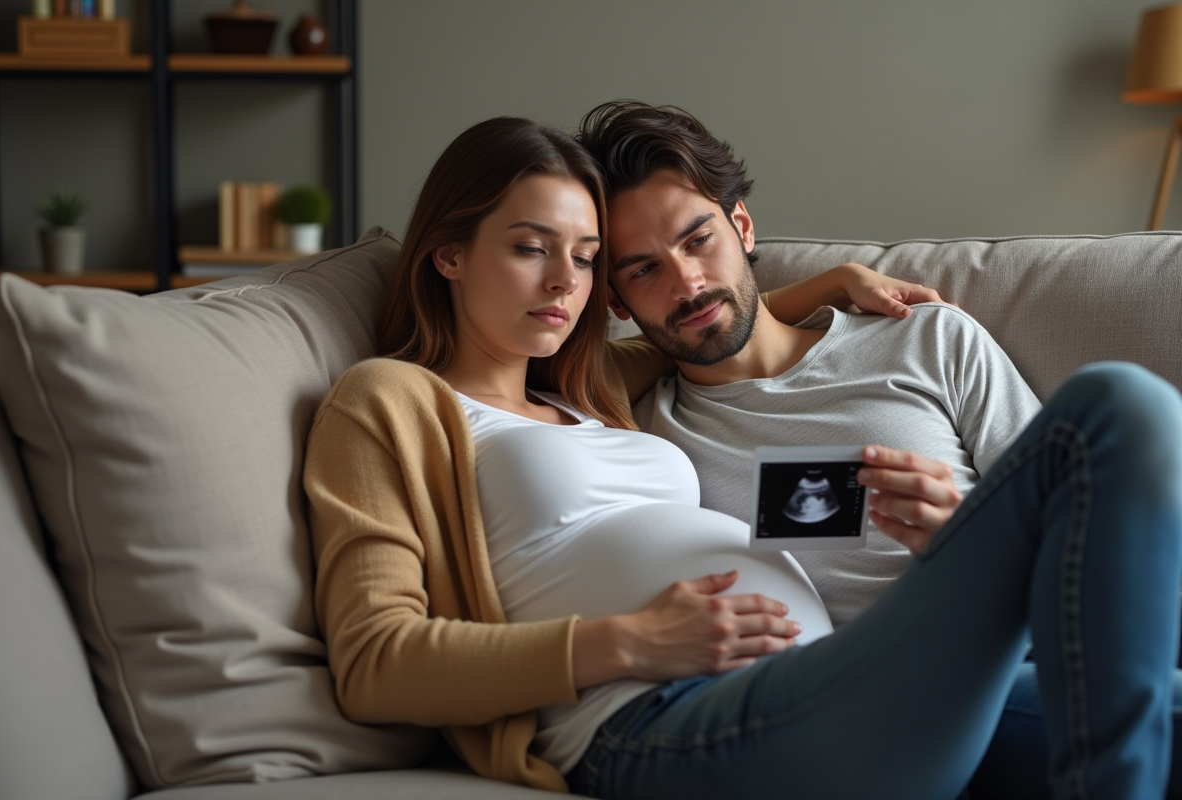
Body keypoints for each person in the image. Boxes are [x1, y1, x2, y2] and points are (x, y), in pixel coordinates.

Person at [302, 114, 1182, 800]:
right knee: (1116, 406)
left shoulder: (593, 387)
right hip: (662, 714)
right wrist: (626, 644)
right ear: (449, 253)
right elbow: (376, 663)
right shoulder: (389, 399)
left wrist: (836, 284)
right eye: (531, 250)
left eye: (583, 258)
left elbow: (714, 323)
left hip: (828, 685)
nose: (565, 284)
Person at [575, 99, 1182, 798]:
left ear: (743, 226)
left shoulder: (925, 338)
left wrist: (974, 536)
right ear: (617, 302)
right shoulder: (641, 433)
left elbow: (1088, 526)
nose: (687, 283)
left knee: (1121, 404)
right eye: (644, 270)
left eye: (697, 239)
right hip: (856, 705)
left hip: (1025, 655)